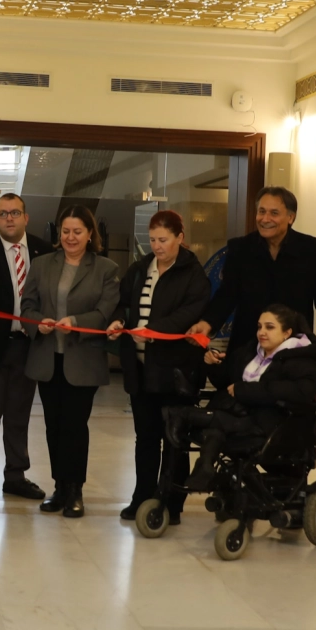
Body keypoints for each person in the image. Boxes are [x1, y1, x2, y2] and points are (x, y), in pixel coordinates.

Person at [105, 210, 212, 522]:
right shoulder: (140, 269)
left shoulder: (193, 274)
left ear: (180, 238)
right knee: (146, 437)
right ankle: (142, 497)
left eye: (163, 240)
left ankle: (171, 502)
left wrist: (154, 329)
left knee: (174, 440)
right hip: (141, 369)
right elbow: (124, 302)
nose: (157, 246)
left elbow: (190, 313)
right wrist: (119, 320)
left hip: (175, 371)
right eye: (152, 239)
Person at [19, 206, 121, 518]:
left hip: (83, 361)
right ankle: (60, 487)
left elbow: (105, 312)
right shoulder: (41, 264)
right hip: (47, 359)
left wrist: (75, 321)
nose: (71, 237)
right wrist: (38, 323)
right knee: (53, 426)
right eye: (65, 231)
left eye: (77, 231)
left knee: (74, 426)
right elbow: (27, 306)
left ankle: (75, 490)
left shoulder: (106, 268)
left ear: (90, 234)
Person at [189, 186, 316, 381]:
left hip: (294, 349)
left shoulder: (312, 249)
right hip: (247, 347)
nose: (265, 219)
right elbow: (227, 295)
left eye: (274, 213)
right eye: (261, 211)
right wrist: (207, 323)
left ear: (291, 217)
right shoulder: (240, 249)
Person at [168, 306, 316, 484]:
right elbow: (227, 383)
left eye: (269, 327)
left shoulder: (300, 359)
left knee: (221, 423)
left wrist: (245, 390)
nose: (262, 332)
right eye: (259, 327)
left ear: (286, 333)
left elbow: (301, 392)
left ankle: (185, 415)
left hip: (274, 423)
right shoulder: (251, 352)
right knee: (219, 426)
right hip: (242, 414)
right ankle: (204, 466)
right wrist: (214, 365)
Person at [0, 194, 51, 504]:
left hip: (29, 346)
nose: (9, 218)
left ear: (25, 217)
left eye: (15, 213)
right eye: (3, 213)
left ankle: (15, 476)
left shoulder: (44, 251)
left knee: (19, 416)